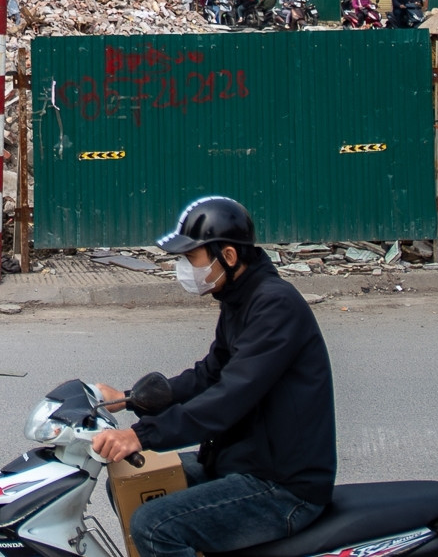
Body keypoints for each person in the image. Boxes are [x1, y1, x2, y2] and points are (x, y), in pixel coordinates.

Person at [91, 197, 335, 557]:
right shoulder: (240, 298)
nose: (185, 268)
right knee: (128, 481)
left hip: (283, 487)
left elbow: (228, 397)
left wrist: (140, 436)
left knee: (154, 527)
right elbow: (208, 375)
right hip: (242, 462)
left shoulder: (274, 306)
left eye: (192, 258)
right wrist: (129, 400)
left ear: (230, 257)